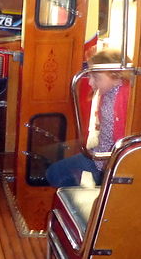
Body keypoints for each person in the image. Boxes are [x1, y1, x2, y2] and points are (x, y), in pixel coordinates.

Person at [46, 49, 129, 187]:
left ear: (117, 77)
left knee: (54, 173)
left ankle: (84, 192)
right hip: (99, 154)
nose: (90, 83)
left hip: (104, 162)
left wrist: (108, 168)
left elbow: (121, 137)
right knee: (50, 154)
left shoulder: (125, 95)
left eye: (96, 78)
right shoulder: (108, 92)